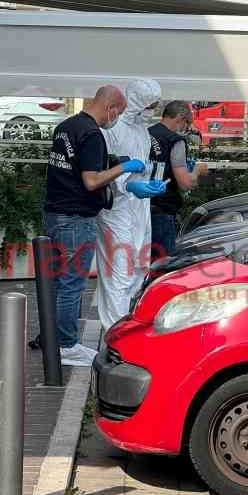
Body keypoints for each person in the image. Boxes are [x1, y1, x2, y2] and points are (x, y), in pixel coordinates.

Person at [43, 85, 146, 367]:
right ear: (111, 107)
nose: (115, 119)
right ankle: (66, 345)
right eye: (118, 113)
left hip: (55, 213)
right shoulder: (92, 134)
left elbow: (73, 167)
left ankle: (52, 339)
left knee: (55, 281)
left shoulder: (66, 126)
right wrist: (124, 168)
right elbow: (91, 180)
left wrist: (113, 162)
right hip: (76, 217)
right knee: (72, 283)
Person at [96, 78, 166, 335]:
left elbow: (141, 163)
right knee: (119, 271)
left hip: (139, 208)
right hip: (116, 208)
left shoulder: (141, 129)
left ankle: (127, 325)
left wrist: (151, 182)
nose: (154, 109)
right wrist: (128, 185)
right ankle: (114, 331)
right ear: (138, 100)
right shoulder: (111, 128)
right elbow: (104, 169)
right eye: (151, 104)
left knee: (139, 267)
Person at [149, 101, 202, 257]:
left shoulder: (146, 133)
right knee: (162, 264)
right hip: (162, 210)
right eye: (187, 124)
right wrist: (197, 170)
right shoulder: (175, 141)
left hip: (140, 209)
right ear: (180, 118)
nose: (185, 129)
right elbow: (185, 183)